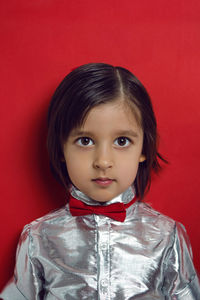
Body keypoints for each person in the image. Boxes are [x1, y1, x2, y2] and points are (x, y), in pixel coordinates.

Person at [1, 63, 199, 300]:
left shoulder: (168, 236)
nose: (103, 161)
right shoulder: (37, 238)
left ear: (144, 147)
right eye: (85, 141)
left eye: (122, 141)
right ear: (61, 148)